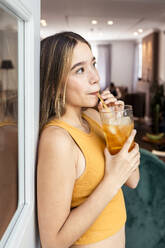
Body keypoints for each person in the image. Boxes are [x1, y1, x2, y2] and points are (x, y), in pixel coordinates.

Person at [37, 31, 140, 248]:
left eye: (93, 64)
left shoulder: (94, 116)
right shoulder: (57, 139)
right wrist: (111, 181)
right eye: (80, 70)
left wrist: (117, 125)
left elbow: (132, 180)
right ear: (54, 82)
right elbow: (52, 242)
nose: (96, 77)